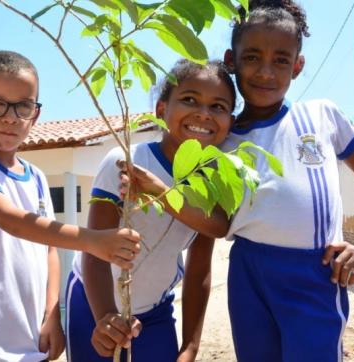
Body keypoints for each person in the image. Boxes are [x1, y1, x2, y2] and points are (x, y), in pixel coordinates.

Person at [219, 1, 354, 361]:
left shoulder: (319, 116)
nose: (266, 72)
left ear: (297, 66)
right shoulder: (222, 141)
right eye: (252, 57)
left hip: (315, 274)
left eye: (281, 60)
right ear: (231, 60)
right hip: (247, 273)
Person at [0, 50, 142, 361]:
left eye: (23, 106)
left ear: (34, 115)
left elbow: (49, 249)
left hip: (33, 339)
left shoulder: (35, 176)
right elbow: (12, 220)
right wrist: (93, 241)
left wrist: (52, 314)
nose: (10, 117)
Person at [65, 59, 236, 362]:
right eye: (189, 100)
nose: (203, 113)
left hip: (155, 313)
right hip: (92, 304)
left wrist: (191, 346)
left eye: (218, 106)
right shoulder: (127, 162)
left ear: (230, 123)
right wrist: (105, 316)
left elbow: (199, 269)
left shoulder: (213, 184)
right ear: (161, 110)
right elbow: (96, 253)